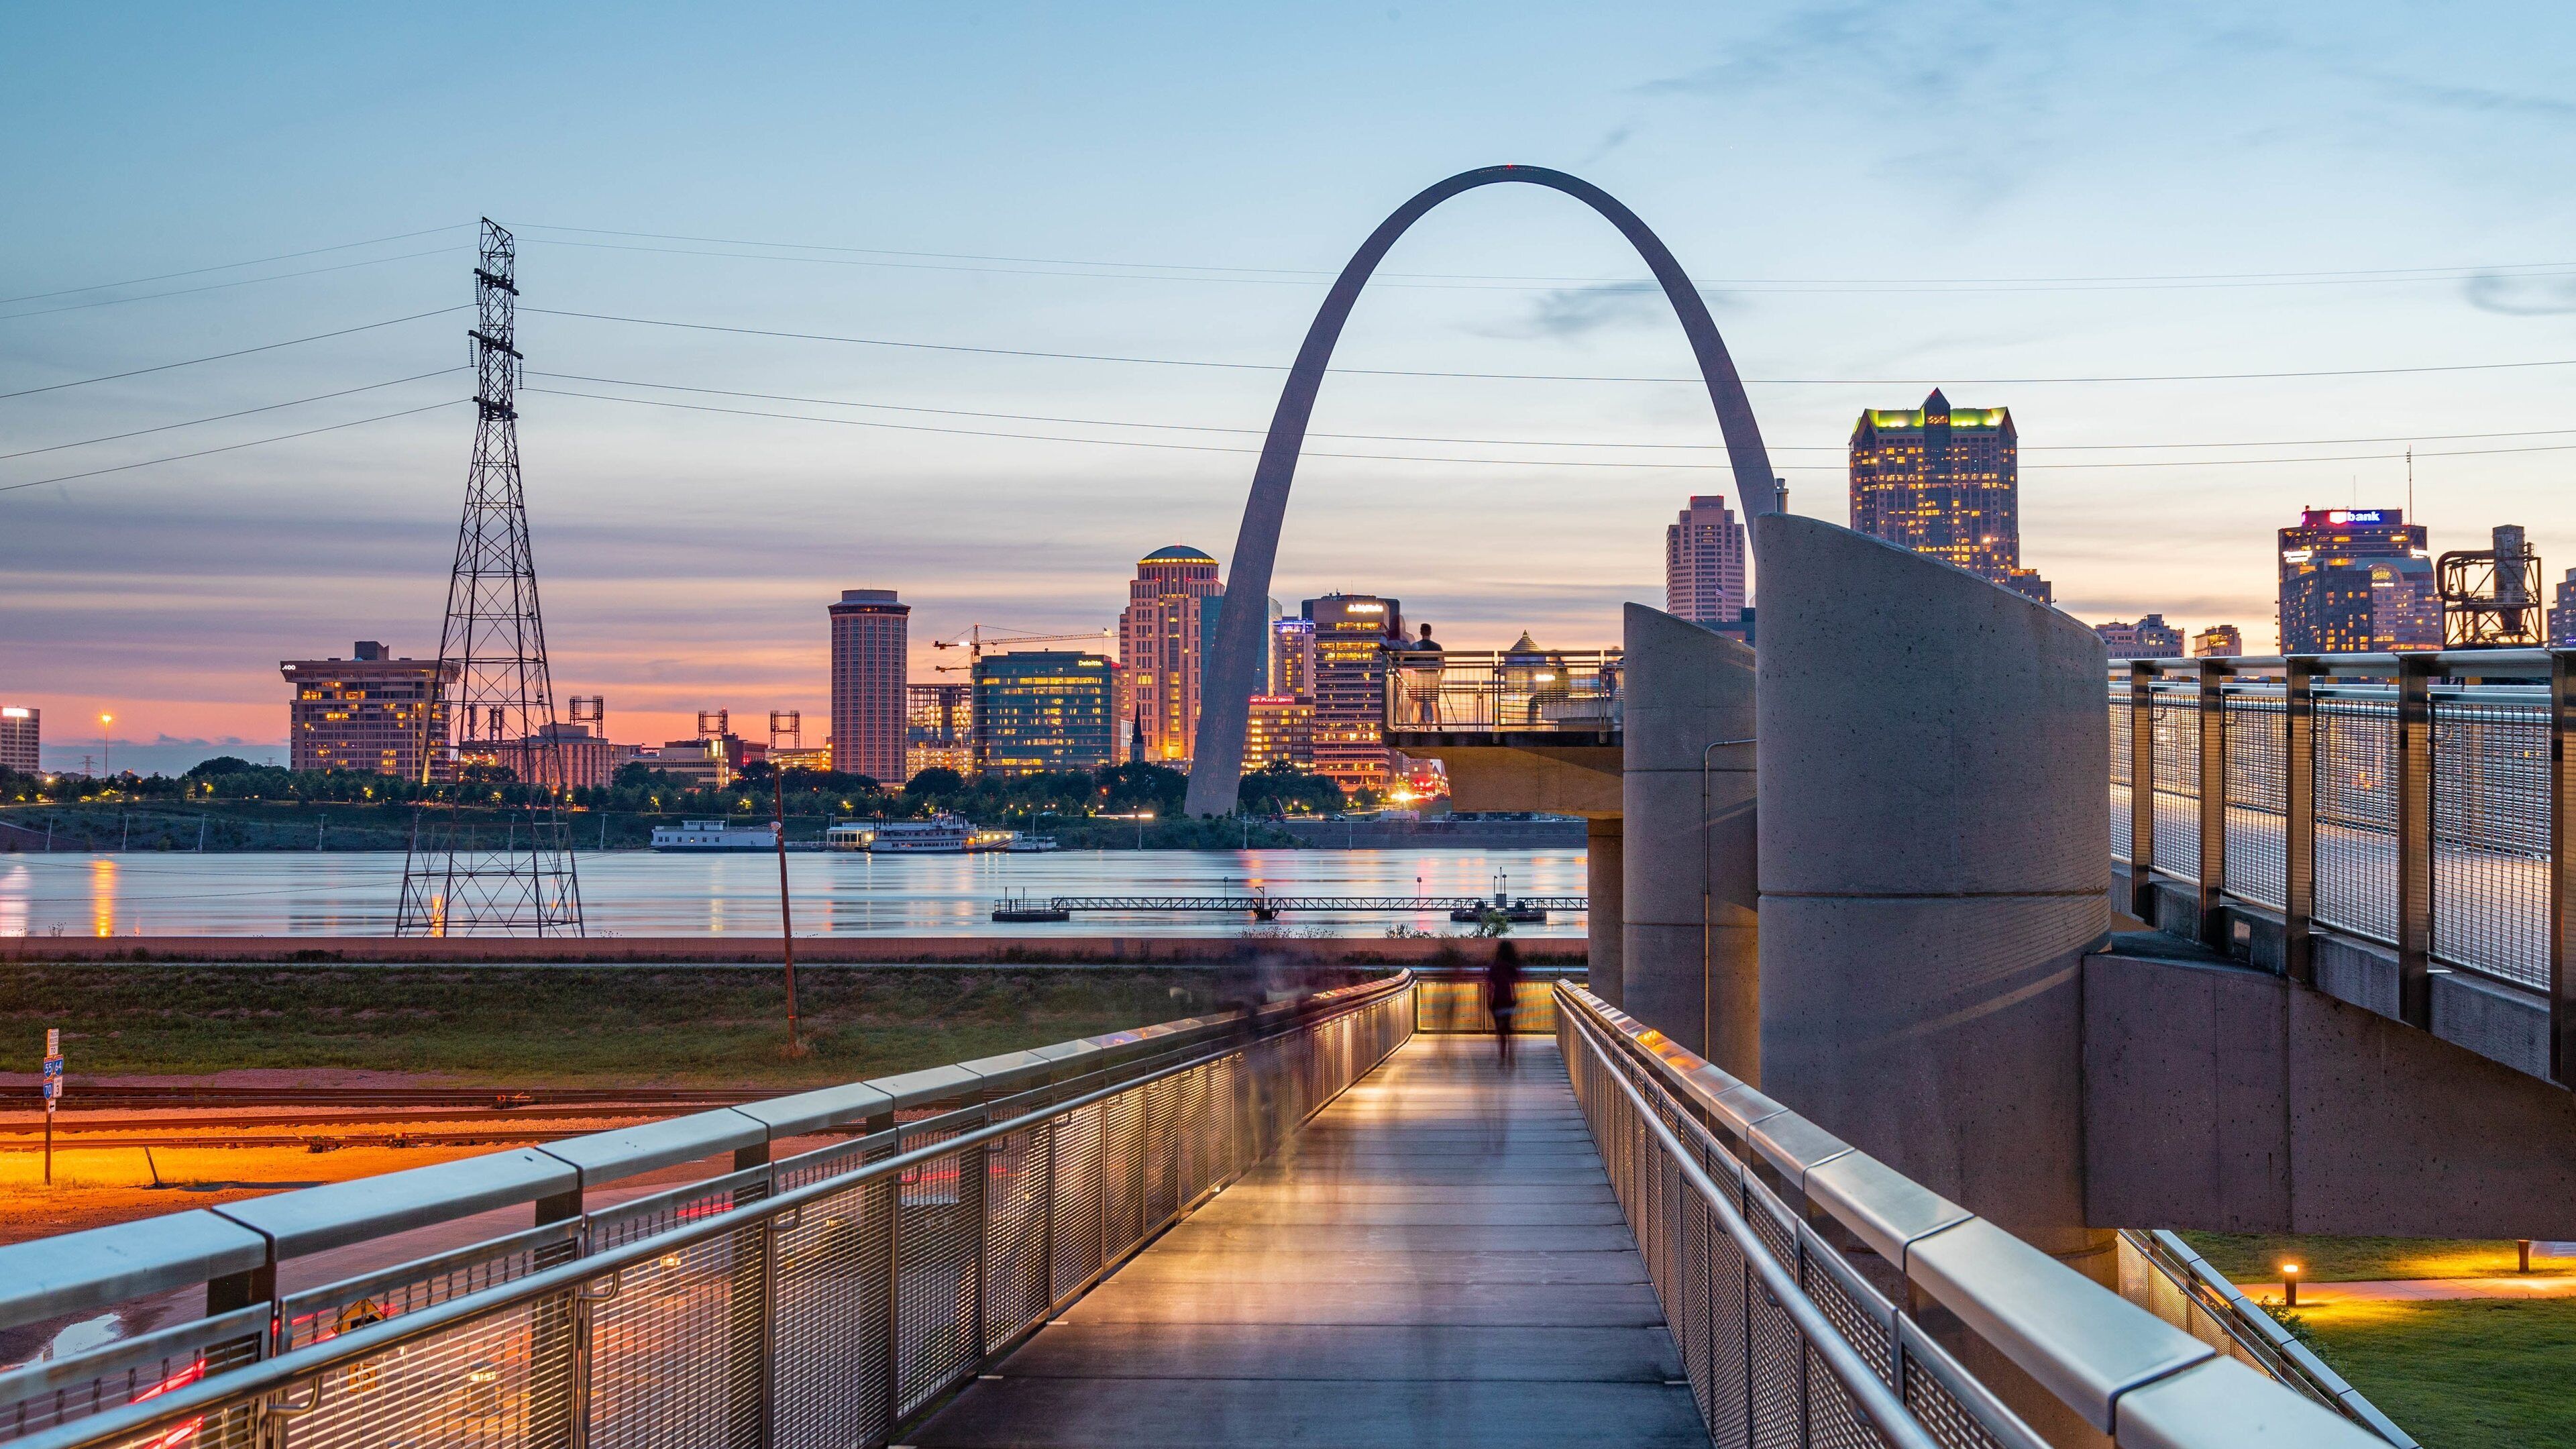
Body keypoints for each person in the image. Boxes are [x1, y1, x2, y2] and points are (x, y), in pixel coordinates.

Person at [1485, 939, 1523, 1070]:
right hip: (1510, 1002)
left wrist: (1488, 1002)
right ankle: (1511, 1058)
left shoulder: (1495, 967)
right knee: (1509, 1029)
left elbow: (1489, 986)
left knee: (1501, 1031)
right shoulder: (1511, 967)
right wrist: (1517, 1000)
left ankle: (1502, 1059)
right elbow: (1518, 982)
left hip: (1497, 1002)